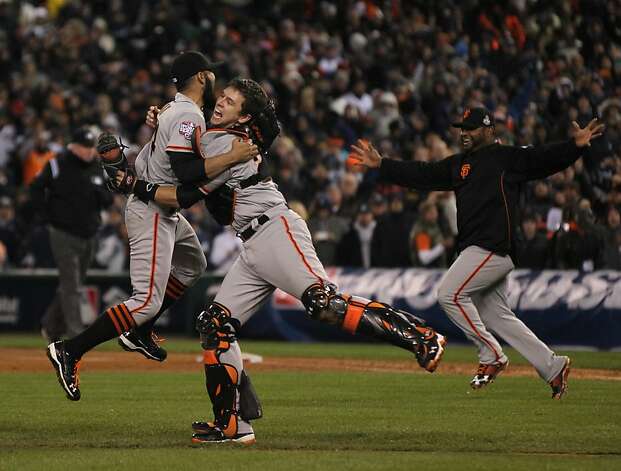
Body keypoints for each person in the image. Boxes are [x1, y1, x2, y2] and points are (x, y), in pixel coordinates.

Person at [116, 78, 447, 445]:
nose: (220, 102)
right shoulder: (219, 136)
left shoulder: (225, 141)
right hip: (252, 243)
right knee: (214, 323)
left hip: (275, 228)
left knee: (324, 303)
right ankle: (233, 425)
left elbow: (183, 187)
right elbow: (187, 142)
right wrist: (163, 121)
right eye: (221, 96)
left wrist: (141, 170)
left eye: (230, 101)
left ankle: (420, 334)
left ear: (243, 116)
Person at [351, 107, 605, 400]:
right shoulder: (460, 165)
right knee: (496, 315)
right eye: (462, 128)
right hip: (480, 249)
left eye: (470, 128)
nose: (464, 133)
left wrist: (574, 147)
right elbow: (422, 174)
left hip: (492, 246)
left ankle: (491, 355)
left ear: (488, 129)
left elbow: (543, 159)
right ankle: (553, 366)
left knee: (449, 293)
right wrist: (382, 164)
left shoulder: (506, 158)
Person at [46, 51, 258, 401]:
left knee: (193, 264)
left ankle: (139, 332)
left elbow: (178, 154)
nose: (216, 82)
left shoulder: (178, 112)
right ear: (203, 77)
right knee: (144, 301)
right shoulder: (187, 115)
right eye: (212, 75)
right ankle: (70, 349)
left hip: (161, 205)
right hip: (153, 209)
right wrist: (232, 157)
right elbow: (188, 172)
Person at [22, 127, 112, 342]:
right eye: (84, 147)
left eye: (91, 148)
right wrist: (45, 214)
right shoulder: (57, 163)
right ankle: (76, 335)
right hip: (63, 233)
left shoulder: (97, 167)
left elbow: (108, 199)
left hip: (89, 233)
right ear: (73, 146)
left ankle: (50, 325)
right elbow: (35, 188)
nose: (88, 152)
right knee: (71, 284)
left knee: (73, 284)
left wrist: (100, 194)